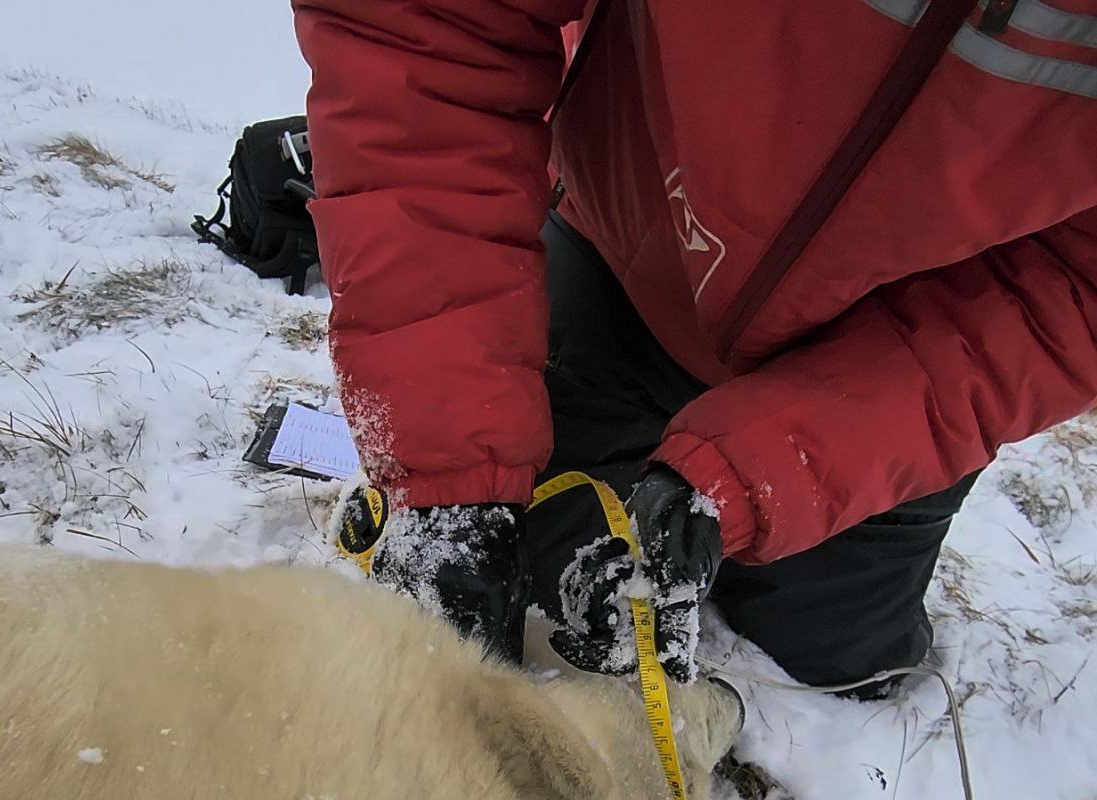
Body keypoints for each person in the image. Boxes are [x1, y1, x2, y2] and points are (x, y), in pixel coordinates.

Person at [292, 0, 1097, 689]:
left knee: (839, 668)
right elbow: (427, 33)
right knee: (530, 587)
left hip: (898, 374)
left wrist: (752, 479)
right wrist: (446, 468)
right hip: (621, 269)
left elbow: (1073, 292)